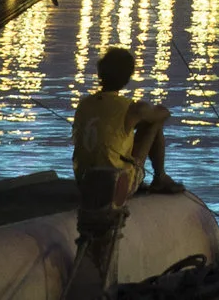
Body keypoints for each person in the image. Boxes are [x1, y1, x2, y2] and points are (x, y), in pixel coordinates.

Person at [68, 48, 174, 294]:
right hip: (115, 185)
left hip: (84, 180)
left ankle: (158, 176)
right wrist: (146, 114)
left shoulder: (84, 105)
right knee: (154, 124)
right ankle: (160, 177)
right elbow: (163, 113)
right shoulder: (132, 108)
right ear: (128, 77)